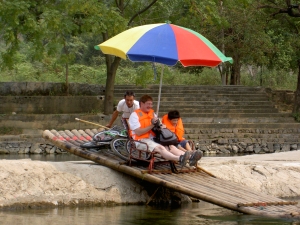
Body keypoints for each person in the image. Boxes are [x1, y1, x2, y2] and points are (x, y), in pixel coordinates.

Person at [128, 94, 202, 167]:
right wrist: (152, 125)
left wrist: (162, 126)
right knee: (161, 148)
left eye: (151, 104)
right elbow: (138, 132)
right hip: (141, 140)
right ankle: (180, 158)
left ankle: (191, 157)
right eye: (148, 104)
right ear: (141, 103)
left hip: (155, 139)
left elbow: (158, 125)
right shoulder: (135, 115)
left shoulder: (152, 114)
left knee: (171, 147)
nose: (150, 106)